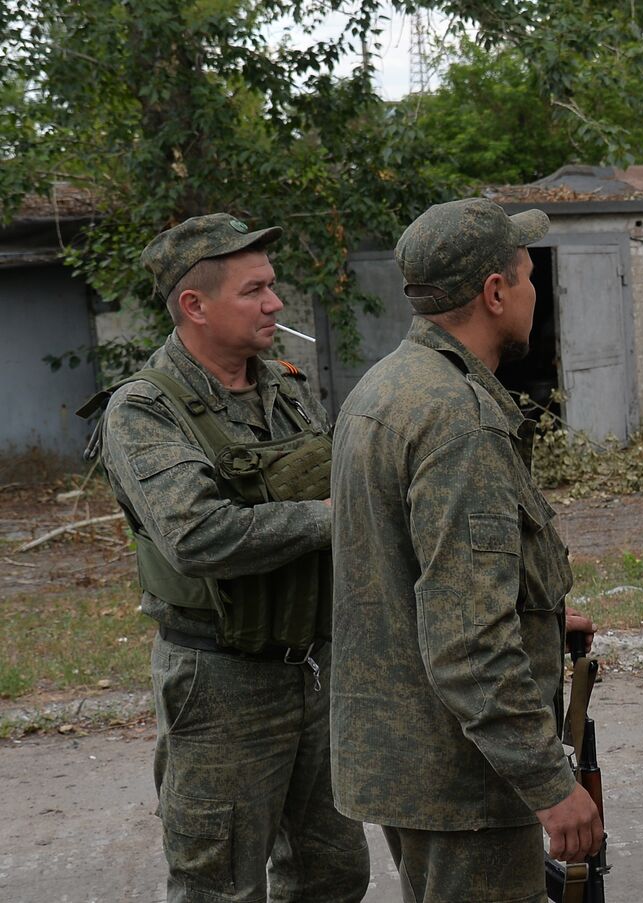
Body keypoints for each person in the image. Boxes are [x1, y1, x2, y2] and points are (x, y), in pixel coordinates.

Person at [89, 213, 369, 902]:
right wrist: (331, 519)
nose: (276, 303)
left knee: (333, 873)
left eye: (272, 286)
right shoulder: (145, 411)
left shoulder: (286, 387)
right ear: (195, 305)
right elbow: (198, 535)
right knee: (218, 886)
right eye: (254, 290)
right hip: (219, 683)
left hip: (312, 669)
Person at [329, 198, 602, 903]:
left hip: (410, 757)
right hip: (463, 780)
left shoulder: (385, 388)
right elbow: (469, 642)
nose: (536, 289)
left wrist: (538, 615)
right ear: (495, 291)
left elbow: (406, 571)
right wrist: (550, 784)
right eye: (528, 272)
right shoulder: (459, 420)